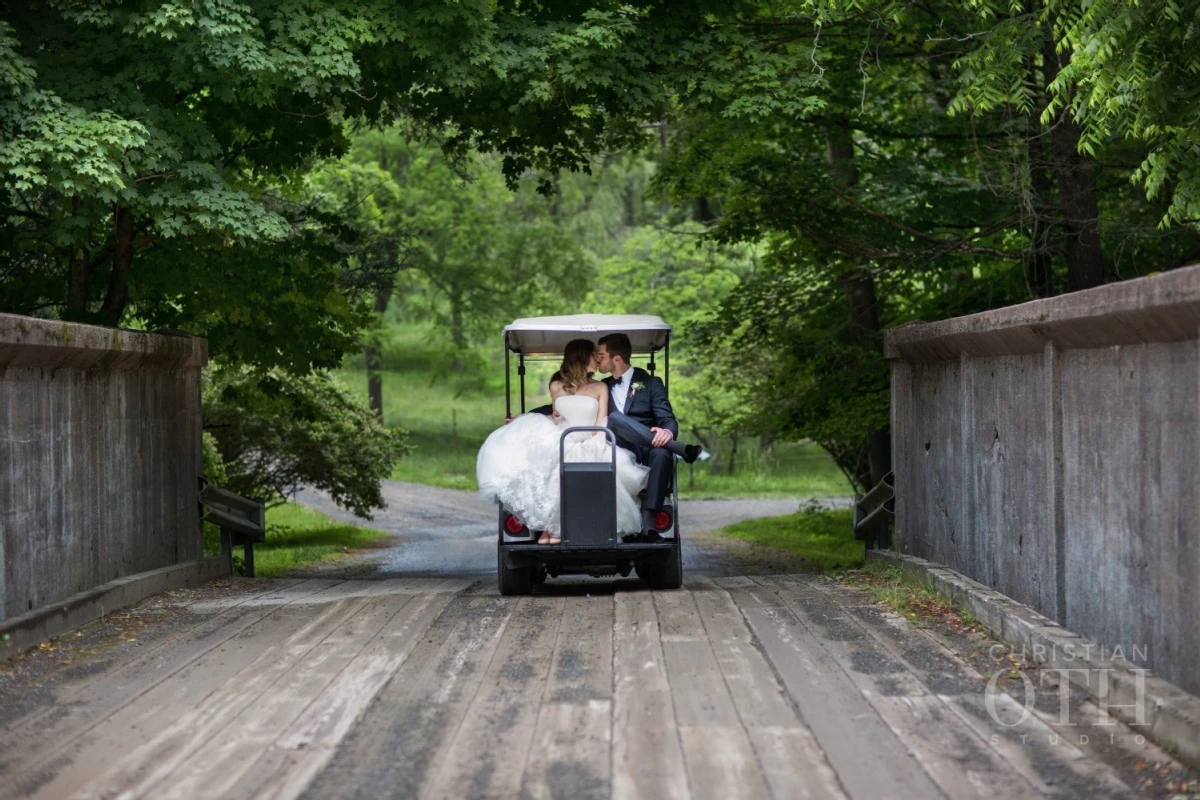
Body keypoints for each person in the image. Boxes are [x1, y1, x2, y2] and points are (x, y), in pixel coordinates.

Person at [476, 339, 649, 544]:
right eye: (593, 354)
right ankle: (549, 528)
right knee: (550, 462)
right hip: (563, 437)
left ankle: (563, 529)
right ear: (583, 357)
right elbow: (555, 416)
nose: (597, 358)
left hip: (591, 437)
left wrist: (593, 443)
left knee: (591, 462)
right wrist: (521, 420)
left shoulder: (600, 387)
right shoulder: (557, 385)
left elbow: (602, 420)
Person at [596, 333, 702, 542]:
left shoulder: (651, 383)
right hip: (617, 448)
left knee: (663, 453)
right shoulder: (601, 386)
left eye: (601, 355)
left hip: (645, 450)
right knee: (615, 418)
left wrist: (667, 433)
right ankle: (679, 448)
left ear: (616, 358)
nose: (598, 359)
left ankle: (650, 523)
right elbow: (567, 403)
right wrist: (527, 415)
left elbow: (668, 419)